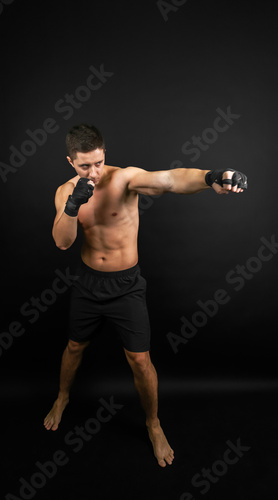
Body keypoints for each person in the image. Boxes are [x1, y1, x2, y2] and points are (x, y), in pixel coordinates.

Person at [44, 123, 248, 467]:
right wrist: (71, 207)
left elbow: (169, 180)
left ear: (104, 153)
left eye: (97, 163)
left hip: (125, 286)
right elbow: (62, 242)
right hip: (88, 283)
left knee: (139, 360)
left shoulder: (125, 179)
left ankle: (153, 424)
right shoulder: (65, 191)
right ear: (70, 162)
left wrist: (212, 176)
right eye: (84, 166)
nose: (93, 172)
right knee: (75, 346)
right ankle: (62, 397)